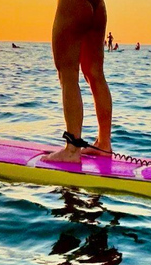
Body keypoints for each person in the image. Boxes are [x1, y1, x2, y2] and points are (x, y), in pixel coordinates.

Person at [42, 0, 113, 163]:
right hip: (98, 5)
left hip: (73, 4)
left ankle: (72, 150)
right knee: (95, 74)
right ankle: (104, 144)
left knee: (67, 74)